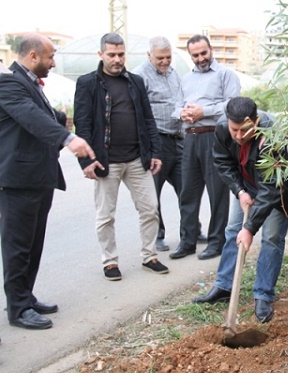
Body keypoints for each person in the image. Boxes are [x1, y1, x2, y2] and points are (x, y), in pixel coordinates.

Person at [0, 33, 96, 329]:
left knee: (33, 244)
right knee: (17, 246)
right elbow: (29, 116)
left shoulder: (29, 83)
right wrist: (67, 137)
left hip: (38, 178)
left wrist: (59, 118)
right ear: (32, 56)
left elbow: (42, 115)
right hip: (18, 181)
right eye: (50, 57)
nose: (53, 63)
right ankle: (18, 309)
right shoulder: (8, 83)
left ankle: (26, 297)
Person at [193, 97, 288, 323]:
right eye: (235, 130)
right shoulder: (223, 128)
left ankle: (263, 295)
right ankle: (224, 285)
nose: (239, 136)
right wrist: (240, 191)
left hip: (278, 190)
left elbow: (271, 189)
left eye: (244, 130)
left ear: (256, 120)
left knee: (271, 237)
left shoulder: (274, 137)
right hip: (246, 185)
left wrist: (250, 228)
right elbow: (222, 162)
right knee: (233, 231)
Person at [74, 32, 169, 281]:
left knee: (150, 209)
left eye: (121, 54)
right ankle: (110, 262)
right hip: (106, 161)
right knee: (105, 216)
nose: (117, 59)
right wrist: (86, 160)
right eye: (111, 55)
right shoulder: (87, 83)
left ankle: (149, 256)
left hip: (138, 159)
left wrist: (155, 152)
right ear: (101, 54)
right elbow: (82, 125)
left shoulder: (135, 82)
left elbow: (149, 120)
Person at [169, 34, 241, 261]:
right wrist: (183, 113)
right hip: (189, 138)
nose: (200, 58)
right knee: (187, 192)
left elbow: (233, 104)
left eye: (203, 53)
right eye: (195, 55)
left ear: (210, 50)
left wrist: (204, 111)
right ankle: (187, 241)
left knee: (217, 193)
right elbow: (176, 106)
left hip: (215, 137)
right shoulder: (186, 79)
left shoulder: (225, 74)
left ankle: (216, 242)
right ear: (190, 55)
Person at [132, 36, 184, 252]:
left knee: (187, 189)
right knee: (153, 194)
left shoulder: (173, 73)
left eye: (168, 57)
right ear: (149, 55)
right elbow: (137, 113)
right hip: (157, 142)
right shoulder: (139, 76)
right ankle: (158, 235)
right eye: (160, 58)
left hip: (178, 139)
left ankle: (190, 231)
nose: (165, 61)